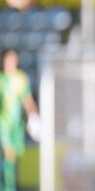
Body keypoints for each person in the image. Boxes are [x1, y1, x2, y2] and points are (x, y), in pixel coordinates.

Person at [0, 49, 40, 191]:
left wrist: (33, 116)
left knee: (12, 158)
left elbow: (27, 99)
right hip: (3, 125)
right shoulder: (1, 79)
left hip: (16, 127)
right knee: (7, 155)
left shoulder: (20, 78)